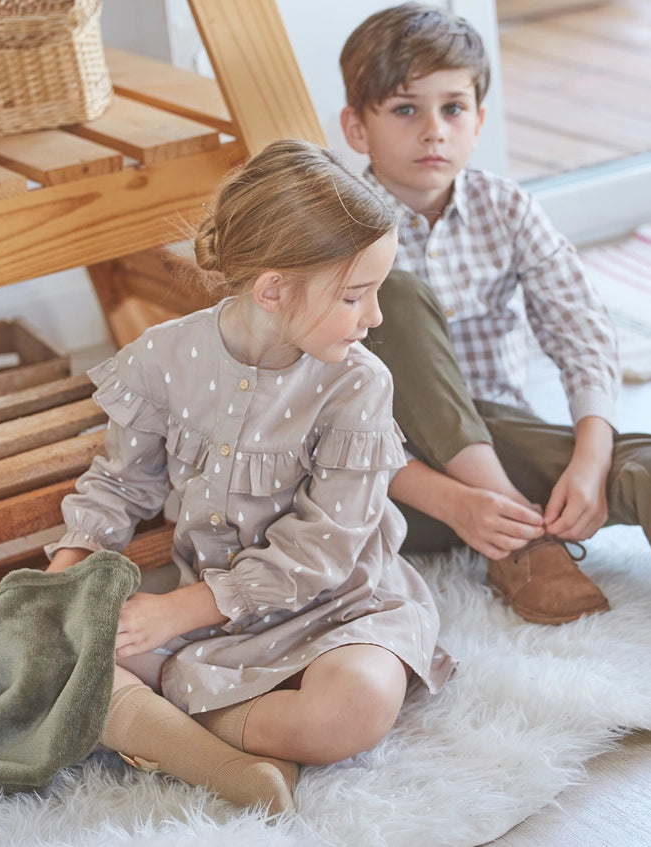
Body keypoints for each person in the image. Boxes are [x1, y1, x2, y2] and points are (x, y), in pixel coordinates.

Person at [337, 2, 651, 697]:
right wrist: (458, 502)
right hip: (388, 479)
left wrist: (588, 459)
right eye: (404, 109)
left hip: (499, 445)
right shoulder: (338, 227)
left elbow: (579, 326)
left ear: (479, 120)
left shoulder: (505, 207)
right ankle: (524, 541)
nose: (433, 131)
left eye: (453, 108)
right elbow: (325, 410)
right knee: (395, 296)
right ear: (356, 126)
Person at [45, 138, 455, 814]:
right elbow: (121, 484)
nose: (375, 316)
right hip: (214, 627)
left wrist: (180, 609)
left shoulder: (358, 382)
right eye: (356, 296)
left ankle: (172, 735)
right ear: (272, 289)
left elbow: (324, 551)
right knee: (63, 646)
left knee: (351, 708)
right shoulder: (163, 356)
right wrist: (65, 574)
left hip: (342, 605)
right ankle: (231, 767)